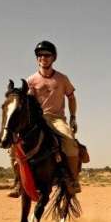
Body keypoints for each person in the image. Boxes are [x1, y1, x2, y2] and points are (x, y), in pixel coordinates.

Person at [26, 40, 82, 194]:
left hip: (57, 119)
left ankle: (73, 179)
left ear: (53, 58)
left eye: (47, 55)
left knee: (70, 143)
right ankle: (18, 182)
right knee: (15, 147)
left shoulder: (62, 79)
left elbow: (71, 97)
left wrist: (73, 118)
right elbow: (27, 104)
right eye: (40, 55)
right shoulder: (30, 81)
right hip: (38, 119)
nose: (43, 57)